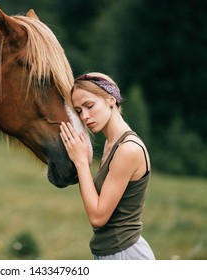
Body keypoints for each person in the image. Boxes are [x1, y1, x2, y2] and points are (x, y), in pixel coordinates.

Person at [60, 72, 155, 260]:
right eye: (79, 111)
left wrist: (81, 162)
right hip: (112, 253)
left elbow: (98, 217)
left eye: (89, 106)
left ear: (110, 100)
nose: (85, 116)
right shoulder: (110, 144)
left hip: (125, 255)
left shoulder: (127, 150)